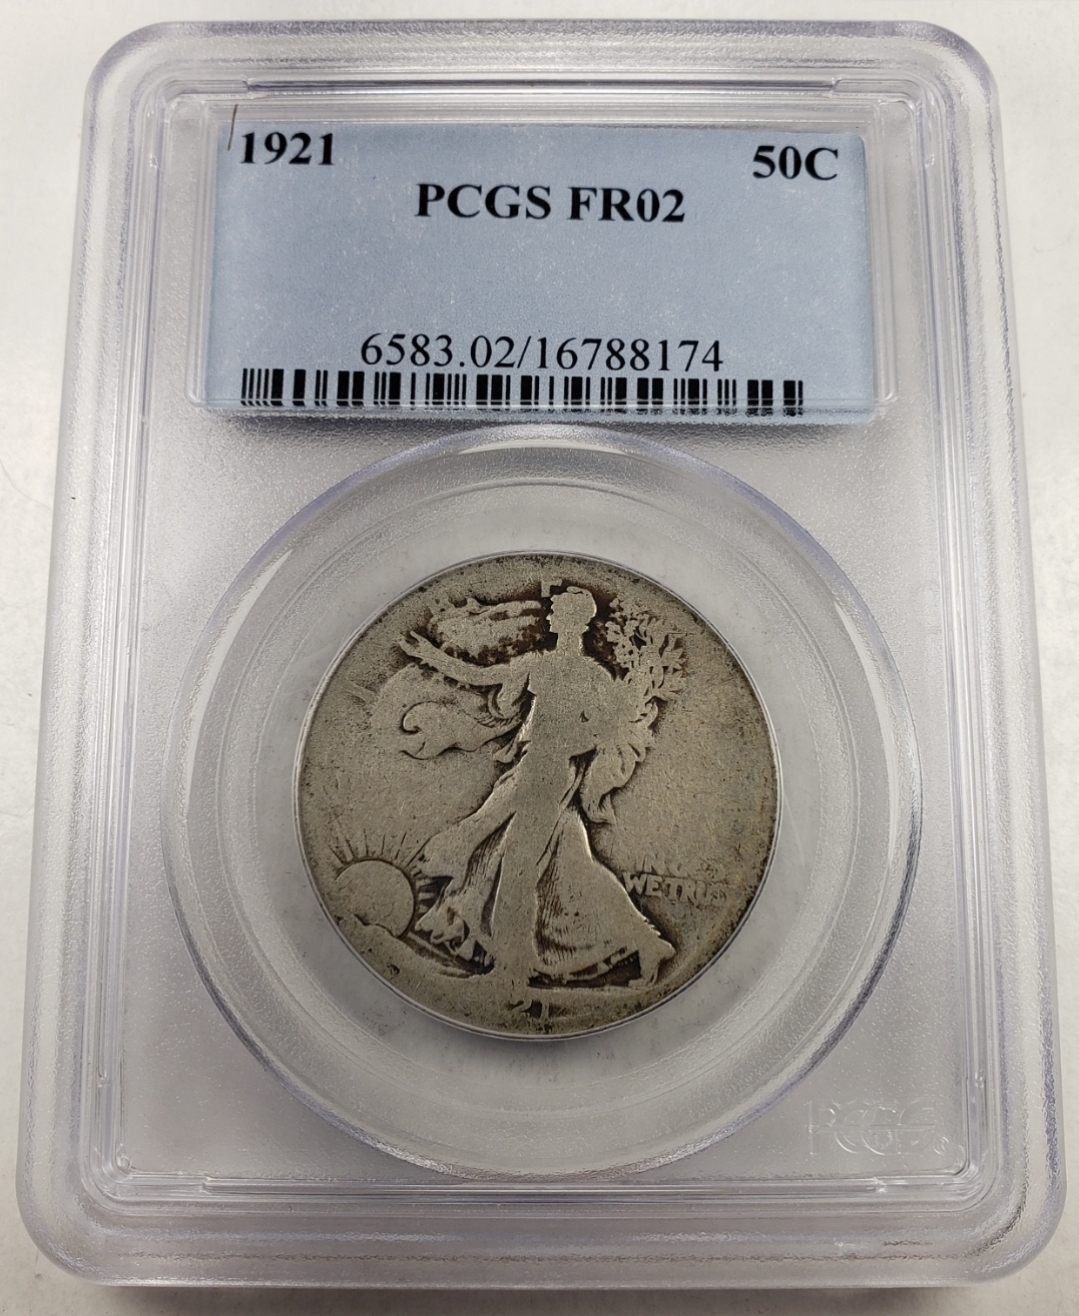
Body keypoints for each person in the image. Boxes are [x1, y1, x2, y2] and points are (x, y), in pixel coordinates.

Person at [399, 587, 675, 998]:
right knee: (571, 863)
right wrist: (430, 655)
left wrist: (563, 747)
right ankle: (648, 942)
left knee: (518, 869)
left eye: (557, 613)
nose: (549, 618)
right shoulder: (540, 664)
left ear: (575, 621)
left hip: (550, 774)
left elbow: (602, 732)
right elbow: (481, 676)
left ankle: (512, 972)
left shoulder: (592, 677)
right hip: (532, 768)